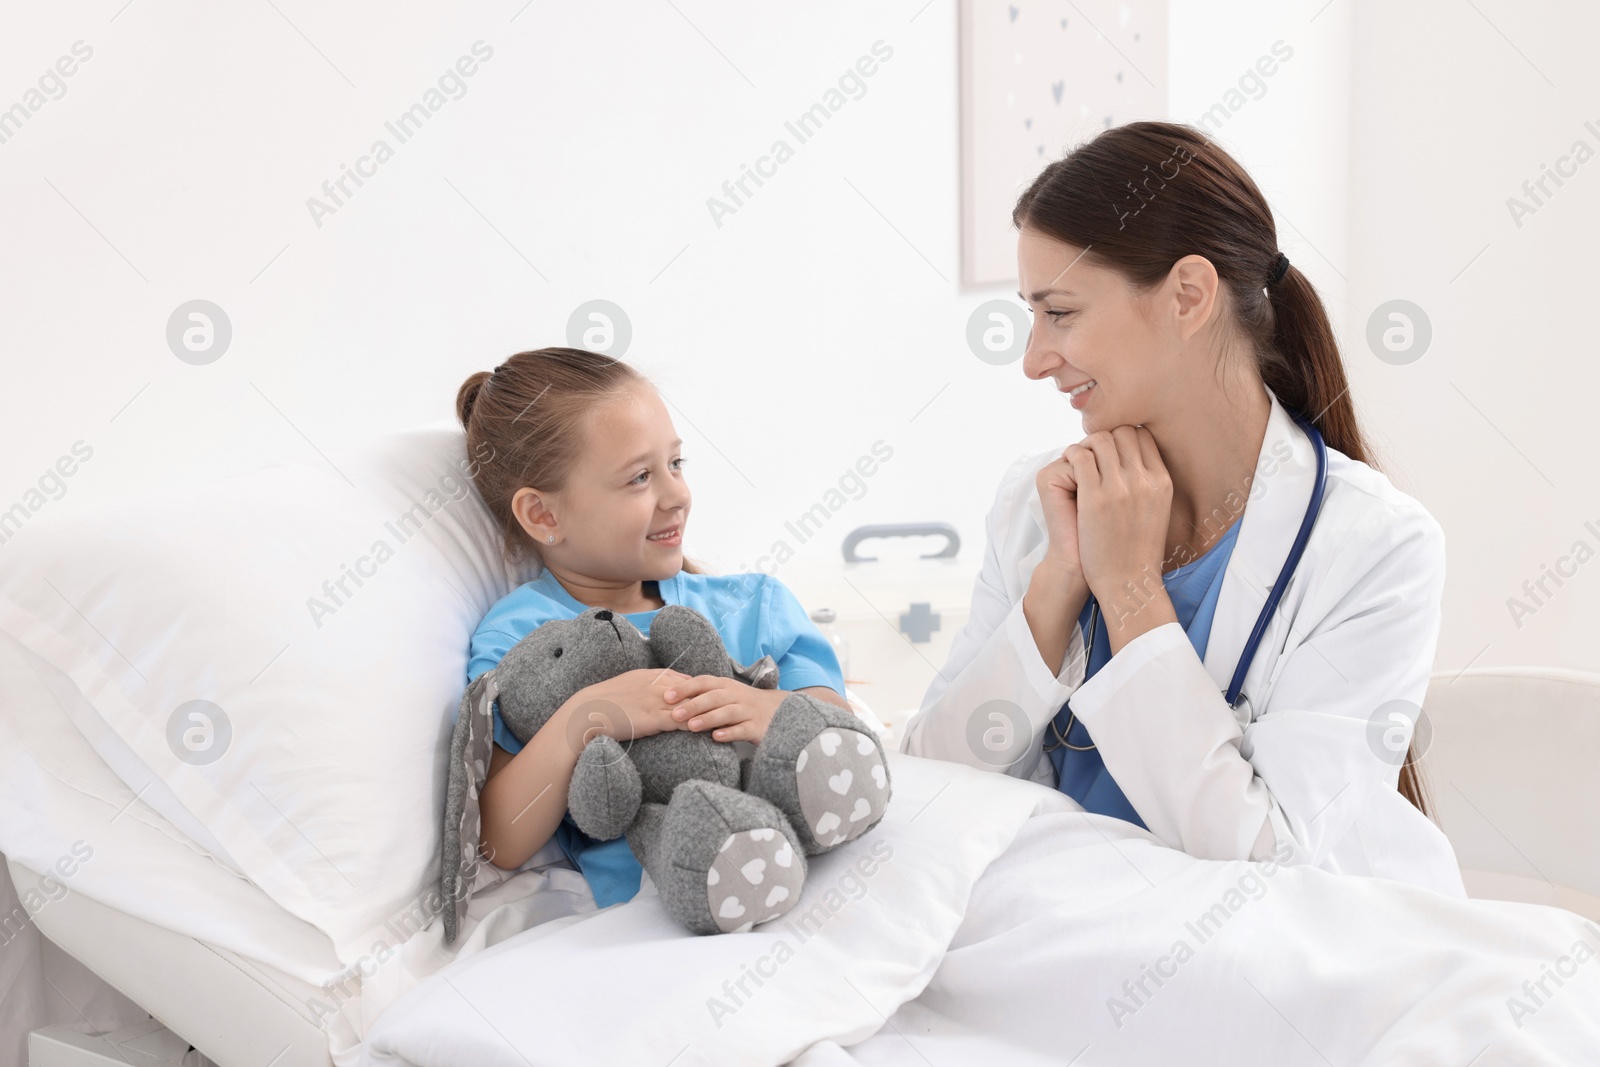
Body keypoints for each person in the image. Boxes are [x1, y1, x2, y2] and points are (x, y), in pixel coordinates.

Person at [900, 121, 1464, 896]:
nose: (1032, 360)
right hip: (1074, 939)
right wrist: (1060, 582)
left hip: (1303, 969)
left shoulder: (1377, 547)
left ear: (1188, 296)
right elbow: (930, 791)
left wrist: (1131, 590)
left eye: (1058, 312)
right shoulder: (1038, 507)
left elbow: (1268, 860)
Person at [454, 348, 851, 907]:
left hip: (824, 874)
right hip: (667, 905)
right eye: (640, 477)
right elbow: (499, 839)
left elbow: (845, 741)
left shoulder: (753, 604)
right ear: (543, 515)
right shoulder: (519, 639)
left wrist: (768, 711)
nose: (677, 495)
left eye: (676, 464)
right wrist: (584, 718)